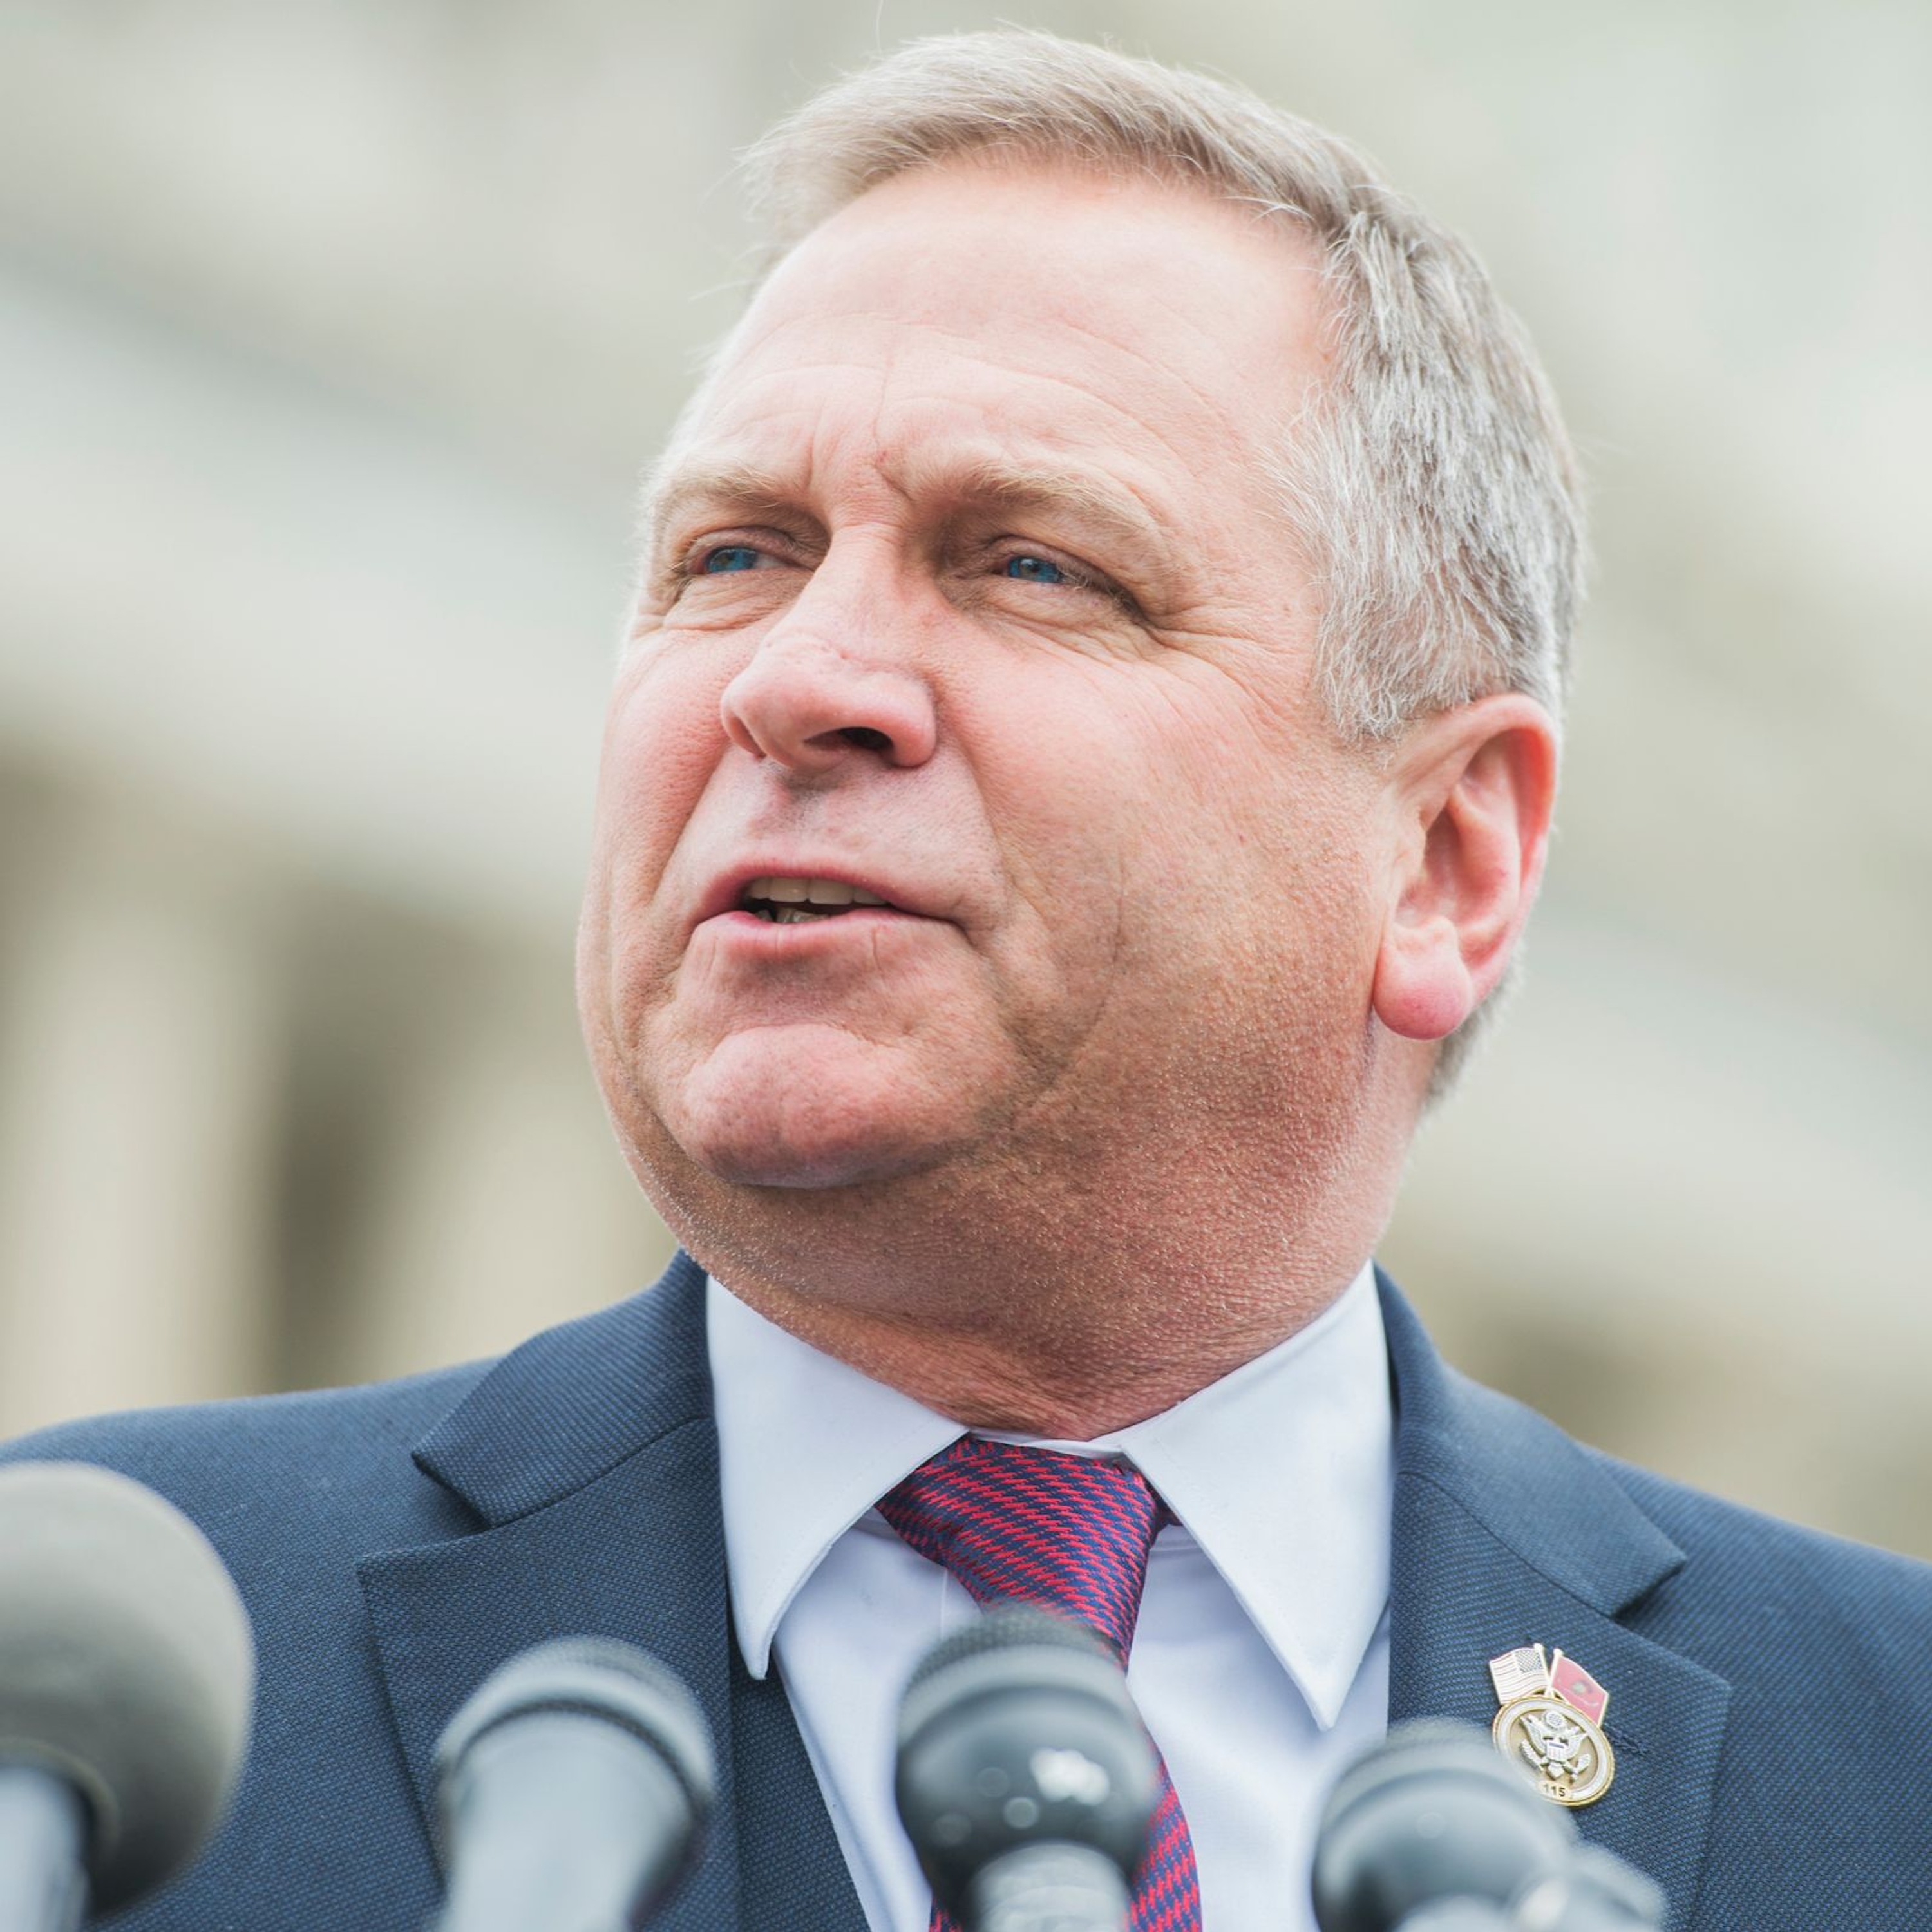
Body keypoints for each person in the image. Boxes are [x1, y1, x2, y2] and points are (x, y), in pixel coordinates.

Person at [7, 31, 1929, 1932]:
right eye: (735, 554)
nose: (797, 678)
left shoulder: (1890, 1760)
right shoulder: (73, 1728)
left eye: (1033, 567)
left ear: (1445, 861)